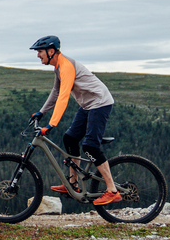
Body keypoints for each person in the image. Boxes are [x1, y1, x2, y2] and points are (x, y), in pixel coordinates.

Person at [28, 36, 122, 206]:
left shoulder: (66, 67)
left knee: (90, 146)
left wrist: (51, 124)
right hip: (87, 105)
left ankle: (112, 190)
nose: (38, 56)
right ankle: (73, 184)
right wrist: (41, 112)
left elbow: (63, 97)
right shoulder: (58, 68)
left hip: (100, 103)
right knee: (70, 138)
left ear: (51, 51)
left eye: (40, 52)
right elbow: (56, 92)